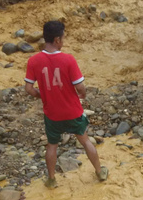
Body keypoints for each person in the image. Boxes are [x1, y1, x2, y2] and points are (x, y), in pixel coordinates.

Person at [24, 20, 108, 189]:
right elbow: (79, 86)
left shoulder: (34, 60)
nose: (64, 41)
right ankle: (99, 172)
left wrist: (42, 96)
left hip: (52, 114)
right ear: (57, 40)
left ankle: (52, 179)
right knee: (85, 141)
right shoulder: (68, 59)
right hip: (73, 112)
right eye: (63, 38)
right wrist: (83, 94)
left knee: (52, 145)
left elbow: (28, 88)